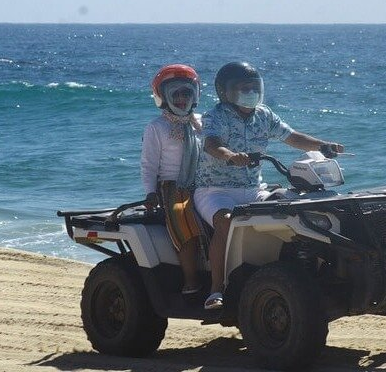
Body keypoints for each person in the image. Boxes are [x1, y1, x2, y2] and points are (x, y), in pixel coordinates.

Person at [194, 61, 344, 310]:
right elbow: (211, 144)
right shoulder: (216, 116)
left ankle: (296, 276)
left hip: (254, 189)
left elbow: (293, 137)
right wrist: (230, 155)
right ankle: (216, 289)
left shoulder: (264, 115)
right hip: (215, 191)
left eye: (254, 88)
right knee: (226, 222)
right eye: (243, 88)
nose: (250, 93)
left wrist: (323, 145)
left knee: (293, 210)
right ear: (225, 92)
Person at [141, 64, 203, 295]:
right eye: (175, 93)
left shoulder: (201, 122)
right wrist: (150, 192)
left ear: (194, 95)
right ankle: (192, 280)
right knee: (182, 218)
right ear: (163, 96)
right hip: (172, 186)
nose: (181, 98)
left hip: (203, 183)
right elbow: (149, 164)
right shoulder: (157, 127)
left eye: (186, 93)